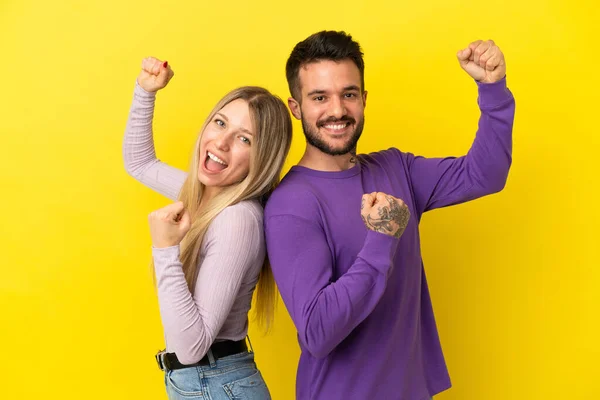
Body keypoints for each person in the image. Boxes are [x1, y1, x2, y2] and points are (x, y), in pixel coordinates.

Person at [264, 31, 515, 400]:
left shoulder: (396, 169)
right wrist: (382, 236)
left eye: (348, 94)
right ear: (296, 107)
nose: (337, 110)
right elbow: (318, 333)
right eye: (319, 97)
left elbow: (485, 174)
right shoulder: (291, 205)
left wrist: (493, 90)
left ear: (363, 99)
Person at [123, 57, 292, 400]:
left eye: (245, 139)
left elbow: (191, 347)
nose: (221, 142)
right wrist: (146, 91)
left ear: (263, 157)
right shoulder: (204, 197)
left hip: (213, 384)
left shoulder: (237, 220)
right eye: (219, 123)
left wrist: (165, 250)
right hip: (208, 383)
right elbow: (139, 162)